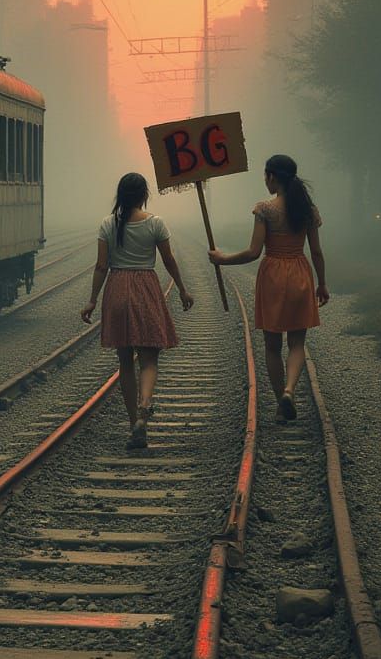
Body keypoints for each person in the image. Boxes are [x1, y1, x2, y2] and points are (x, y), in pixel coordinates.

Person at [208, 153, 329, 421]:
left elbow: (253, 252)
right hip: (299, 271)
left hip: (273, 274)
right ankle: (289, 389)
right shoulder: (308, 210)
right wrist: (321, 283)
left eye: (266, 176)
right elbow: (317, 252)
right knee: (297, 342)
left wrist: (222, 259)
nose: (265, 182)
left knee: (272, 346)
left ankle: (279, 399)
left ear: (272, 177)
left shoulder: (265, 210)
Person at [81, 172, 195, 449]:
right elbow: (168, 259)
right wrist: (182, 288)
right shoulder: (155, 223)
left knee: (124, 361)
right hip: (145, 287)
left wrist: (93, 300)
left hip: (117, 288)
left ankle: (134, 422)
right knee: (149, 358)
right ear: (144, 195)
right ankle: (145, 406)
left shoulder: (108, 224)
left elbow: (101, 266)